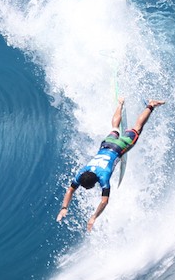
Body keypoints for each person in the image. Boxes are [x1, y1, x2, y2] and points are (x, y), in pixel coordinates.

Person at [56, 98, 165, 231]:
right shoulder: (82, 172)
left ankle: (151, 105)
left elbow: (104, 201)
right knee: (114, 128)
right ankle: (120, 104)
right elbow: (70, 190)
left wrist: (94, 217)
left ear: (95, 182)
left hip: (120, 148)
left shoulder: (104, 177)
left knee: (137, 128)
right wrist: (64, 208)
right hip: (106, 144)